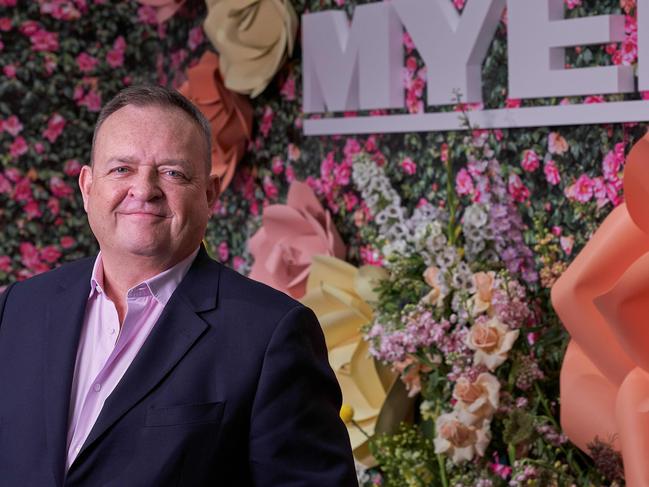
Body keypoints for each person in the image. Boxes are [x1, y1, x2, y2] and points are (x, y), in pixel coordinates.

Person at [0, 85, 357, 486]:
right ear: (87, 188)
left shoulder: (271, 334)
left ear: (209, 194)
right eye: (121, 169)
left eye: (172, 172)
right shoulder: (19, 308)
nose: (144, 190)